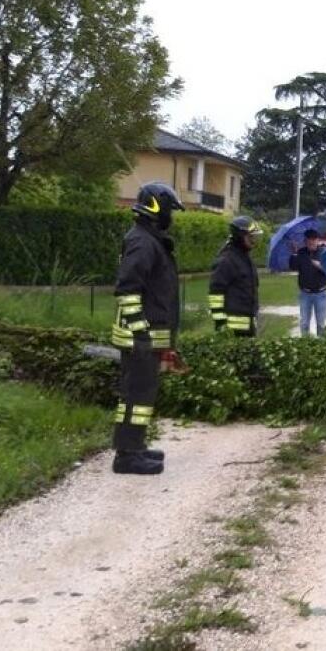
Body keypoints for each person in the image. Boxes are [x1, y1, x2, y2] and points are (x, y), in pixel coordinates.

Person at [110, 182, 184, 475]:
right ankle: (126, 456)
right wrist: (140, 333)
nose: (171, 217)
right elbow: (127, 290)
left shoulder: (149, 239)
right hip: (138, 337)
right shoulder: (143, 241)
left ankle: (135, 447)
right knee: (134, 396)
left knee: (142, 396)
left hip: (146, 337)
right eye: (170, 211)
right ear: (157, 209)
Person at [209, 216, 262, 337]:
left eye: (254, 237)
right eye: (250, 237)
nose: (254, 241)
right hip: (232, 329)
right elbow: (215, 294)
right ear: (239, 236)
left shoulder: (245, 258)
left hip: (248, 325)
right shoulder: (226, 261)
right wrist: (220, 323)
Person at [289, 228, 326, 336]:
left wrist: (320, 267)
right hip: (305, 294)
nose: (311, 242)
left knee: (321, 324)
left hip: (321, 294)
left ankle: (321, 349)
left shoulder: (324, 252)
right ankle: (304, 346)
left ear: (318, 240)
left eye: (314, 239)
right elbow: (293, 267)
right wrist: (293, 253)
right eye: (309, 240)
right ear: (305, 241)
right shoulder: (301, 252)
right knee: (304, 323)